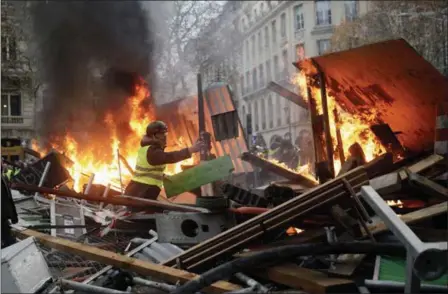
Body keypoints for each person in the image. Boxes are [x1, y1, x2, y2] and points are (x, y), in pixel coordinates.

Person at [125, 120, 205, 203]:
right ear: (154, 135)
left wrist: (163, 176)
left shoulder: (149, 149)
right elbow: (169, 157)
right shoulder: (152, 151)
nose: (165, 136)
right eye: (162, 134)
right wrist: (190, 150)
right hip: (140, 195)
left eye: (165, 134)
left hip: (140, 193)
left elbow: (149, 171)